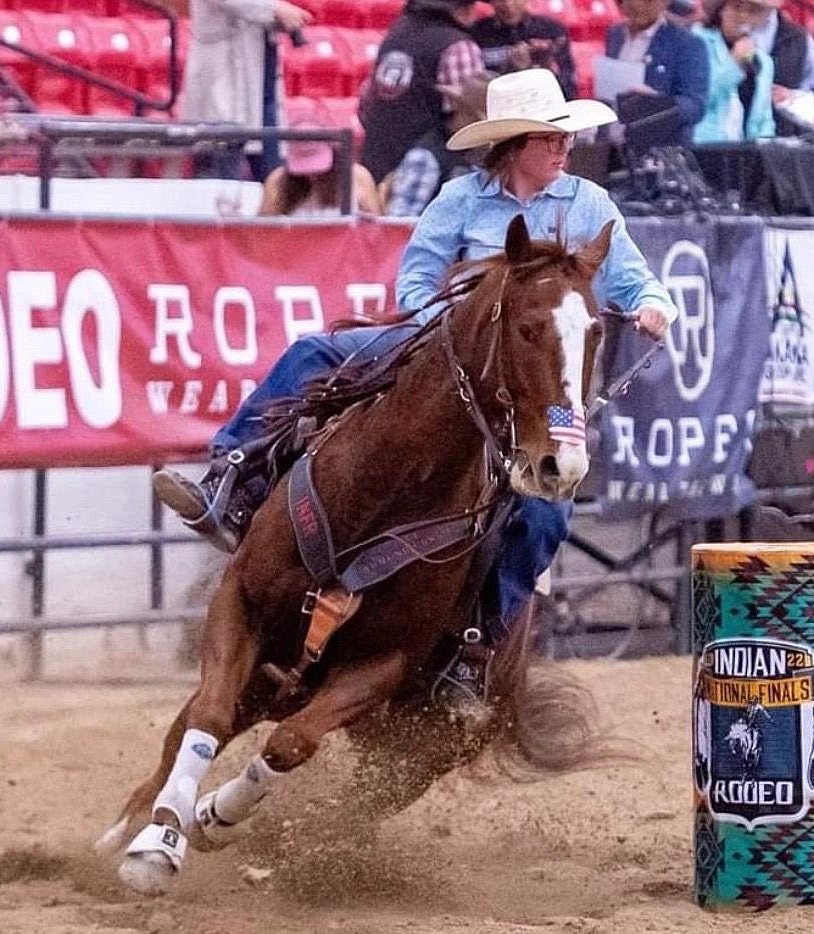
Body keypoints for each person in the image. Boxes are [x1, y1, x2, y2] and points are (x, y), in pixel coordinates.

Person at [153, 69, 676, 709]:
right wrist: (442, 337)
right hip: (441, 355)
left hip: (528, 388)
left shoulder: (590, 206)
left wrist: (652, 303)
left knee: (545, 511)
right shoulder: (460, 201)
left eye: (564, 136)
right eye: (549, 137)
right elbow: (418, 278)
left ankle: (479, 642)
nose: (564, 147)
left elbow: (631, 279)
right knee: (314, 352)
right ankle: (233, 478)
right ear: (514, 144)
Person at [360, 0, 486, 218]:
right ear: (464, 10)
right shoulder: (458, 46)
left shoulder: (394, 36)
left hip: (378, 166)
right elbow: (471, 110)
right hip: (430, 174)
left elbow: (365, 106)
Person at [183, 0, 313, 181]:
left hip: (262, 82)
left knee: (274, 179)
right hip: (225, 79)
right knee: (221, 178)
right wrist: (274, 9)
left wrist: (278, 16)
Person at [603, 0, 709, 146]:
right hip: (613, 145)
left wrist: (657, 103)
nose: (637, 4)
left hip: (657, 152)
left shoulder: (687, 43)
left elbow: (695, 106)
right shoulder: (615, 34)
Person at [258, 118, 382, 216]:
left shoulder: (358, 177)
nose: (311, 174)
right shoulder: (277, 183)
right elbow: (264, 234)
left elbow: (377, 235)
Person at [692, 0, 776, 143]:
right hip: (702, 149)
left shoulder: (764, 62)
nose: (744, 16)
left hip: (746, 157)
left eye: (753, 11)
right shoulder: (696, 42)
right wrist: (734, 65)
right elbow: (695, 100)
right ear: (721, 8)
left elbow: (764, 121)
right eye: (737, 7)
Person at [744, 0, 814, 131]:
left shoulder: (799, 37)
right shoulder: (718, 35)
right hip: (726, 143)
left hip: (786, 141)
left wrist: (793, 98)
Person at [470, 0, 577, 100]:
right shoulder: (477, 33)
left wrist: (544, 65)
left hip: (544, 104)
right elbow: (475, 92)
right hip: (500, 110)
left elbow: (569, 90)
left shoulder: (551, 30)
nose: (508, 5)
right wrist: (510, 67)